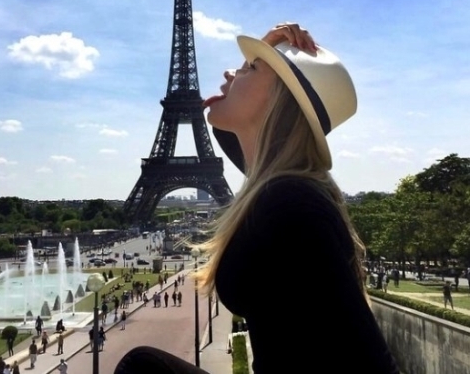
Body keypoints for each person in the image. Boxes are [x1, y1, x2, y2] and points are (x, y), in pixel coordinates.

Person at [113, 22, 399, 373]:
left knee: (140, 367)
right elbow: (256, 140)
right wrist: (258, 61)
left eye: (248, 70)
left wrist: (262, 64)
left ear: (278, 102)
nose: (229, 72)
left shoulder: (289, 205)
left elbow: (361, 352)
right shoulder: (285, 194)